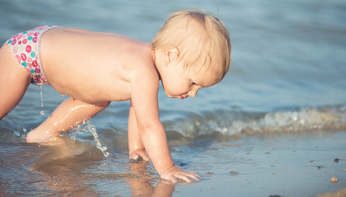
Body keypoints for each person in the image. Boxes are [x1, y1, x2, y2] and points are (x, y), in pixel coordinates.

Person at [0, 10, 231, 183]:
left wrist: (136, 149)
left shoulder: (145, 61)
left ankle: (44, 133)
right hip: (27, 53)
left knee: (102, 96)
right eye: (192, 83)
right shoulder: (143, 70)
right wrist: (167, 168)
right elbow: (150, 124)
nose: (192, 93)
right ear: (172, 55)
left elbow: (138, 111)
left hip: (44, 41)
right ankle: (44, 132)